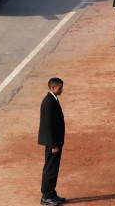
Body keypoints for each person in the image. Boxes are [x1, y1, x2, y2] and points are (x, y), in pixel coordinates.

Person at [37, 77, 66, 205]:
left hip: (55, 141)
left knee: (53, 168)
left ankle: (51, 193)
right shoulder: (48, 102)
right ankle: (46, 196)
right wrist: (53, 145)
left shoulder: (52, 99)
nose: (62, 90)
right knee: (50, 168)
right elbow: (47, 125)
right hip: (52, 143)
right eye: (60, 88)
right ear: (52, 88)